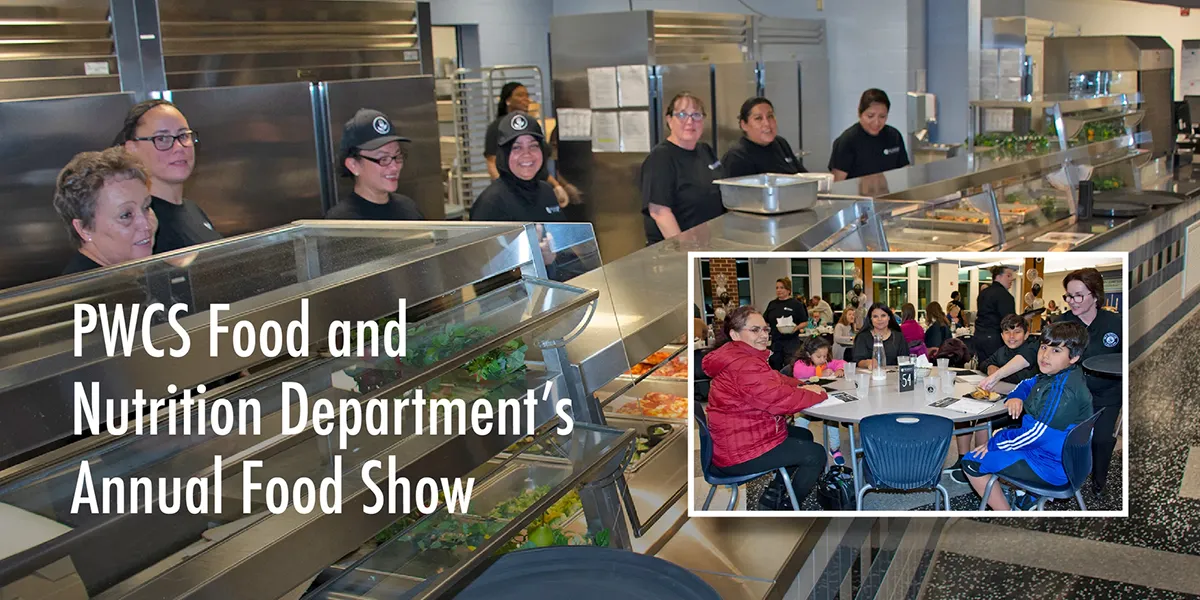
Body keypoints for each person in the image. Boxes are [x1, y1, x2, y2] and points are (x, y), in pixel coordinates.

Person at [701, 306, 829, 510]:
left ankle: (774, 493)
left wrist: (801, 385)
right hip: (739, 451)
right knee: (815, 454)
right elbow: (778, 400)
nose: (763, 335)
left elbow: (774, 380)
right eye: (755, 330)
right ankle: (787, 507)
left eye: (765, 329)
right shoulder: (744, 364)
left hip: (739, 436)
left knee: (803, 436)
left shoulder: (739, 355)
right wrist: (817, 394)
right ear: (735, 334)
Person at [964, 322, 1094, 511]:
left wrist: (995, 441)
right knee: (1006, 438)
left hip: (1050, 466)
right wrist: (1016, 396)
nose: (1045, 355)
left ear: (1073, 357)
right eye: (1043, 347)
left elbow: (1036, 434)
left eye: (1056, 351)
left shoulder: (1062, 390)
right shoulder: (1061, 374)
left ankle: (1006, 515)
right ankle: (1029, 497)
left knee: (971, 461)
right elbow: (1027, 383)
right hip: (1064, 457)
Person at [471, 112, 586, 281]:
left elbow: (565, 252)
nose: (527, 154)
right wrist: (534, 262)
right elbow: (485, 276)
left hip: (557, 297)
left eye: (533, 146)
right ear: (504, 154)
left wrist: (554, 261)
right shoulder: (491, 203)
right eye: (516, 147)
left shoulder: (547, 192)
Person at [1049, 268, 1123, 495]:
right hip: (1072, 394)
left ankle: (1099, 481)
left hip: (1108, 394)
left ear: (1095, 294)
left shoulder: (1115, 322)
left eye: (1078, 295)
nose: (1072, 301)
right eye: (1068, 296)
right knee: (1067, 439)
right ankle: (1063, 478)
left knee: (1101, 440)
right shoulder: (1061, 324)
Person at [115, 99, 219, 253]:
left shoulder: (192, 209)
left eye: (183, 136)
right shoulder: (142, 225)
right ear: (131, 149)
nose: (178, 147)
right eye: (162, 139)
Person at [53, 148, 157, 274]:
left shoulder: (130, 275)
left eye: (146, 207)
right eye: (126, 215)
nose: (146, 225)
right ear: (84, 229)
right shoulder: (86, 291)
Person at [640, 92, 725, 244]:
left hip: (707, 245)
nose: (690, 121)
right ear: (669, 120)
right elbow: (659, 212)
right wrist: (684, 251)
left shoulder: (705, 150)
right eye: (681, 114)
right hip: (674, 252)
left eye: (696, 115)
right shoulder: (661, 158)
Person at [483, 82, 572, 207]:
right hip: (516, 194)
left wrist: (557, 186)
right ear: (508, 100)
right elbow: (492, 163)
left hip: (536, 193)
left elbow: (538, 167)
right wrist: (506, 191)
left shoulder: (531, 127)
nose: (526, 99)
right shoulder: (497, 128)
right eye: (520, 95)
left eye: (527, 95)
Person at [326, 109, 423, 221]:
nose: (394, 167)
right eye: (383, 159)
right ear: (353, 165)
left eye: (397, 157)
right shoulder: (341, 222)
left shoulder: (409, 209)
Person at [783, 336, 847, 466]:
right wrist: (819, 373)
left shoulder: (824, 361)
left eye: (825, 356)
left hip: (825, 400)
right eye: (819, 356)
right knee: (801, 421)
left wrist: (840, 369)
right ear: (808, 354)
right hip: (805, 402)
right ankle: (800, 448)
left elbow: (840, 362)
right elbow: (800, 372)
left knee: (833, 421)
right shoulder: (801, 363)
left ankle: (835, 448)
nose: (823, 359)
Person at [828, 89, 910, 181]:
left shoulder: (894, 136)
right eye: (870, 116)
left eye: (882, 116)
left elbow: (905, 173)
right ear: (860, 114)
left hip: (888, 193)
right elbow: (837, 184)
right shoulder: (847, 141)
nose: (876, 122)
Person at [720, 97, 807, 177]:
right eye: (758, 118)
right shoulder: (736, 157)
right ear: (744, 125)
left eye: (770, 116)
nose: (767, 123)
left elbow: (803, 177)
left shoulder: (780, 143)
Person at [979, 314, 1040, 384]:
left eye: (1017, 332)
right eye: (1007, 332)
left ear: (1026, 335)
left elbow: (1021, 378)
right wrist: (989, 367)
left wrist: (998, 374)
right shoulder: (1001, 351)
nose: (1011, 336)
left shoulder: (1032, 350)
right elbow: (984, 363)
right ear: (1002, 336)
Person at [763, 278, 809, 371]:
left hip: (791, 342)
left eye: (782, 287)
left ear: (788, 290)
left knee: (791, 366)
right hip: (776, 342)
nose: (779, 290)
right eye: (777, 288)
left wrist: (796, 328)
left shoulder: (796, 304)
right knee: (775, 366)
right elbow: (765, 320)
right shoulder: (772, 304)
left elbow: (805, 322)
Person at [974, 265, 1016, 363]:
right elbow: (1009, 320)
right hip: (995, 338)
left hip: (979, 335)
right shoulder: (1004, 295)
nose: (1012, 279)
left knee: (983, 365)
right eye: (1008, 276)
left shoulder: (983, 293)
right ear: (998, 276)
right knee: (995, 367)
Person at [851, 303, 908, 369]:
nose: (879, 319)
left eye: (883, 315)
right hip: (870, 376)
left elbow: (905, 360)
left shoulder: (899, 337)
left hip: (895, 376)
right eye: (875, 316)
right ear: (870, 319)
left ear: (889, 317)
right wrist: (868, 363)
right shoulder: (862, 337)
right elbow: (857, 361)